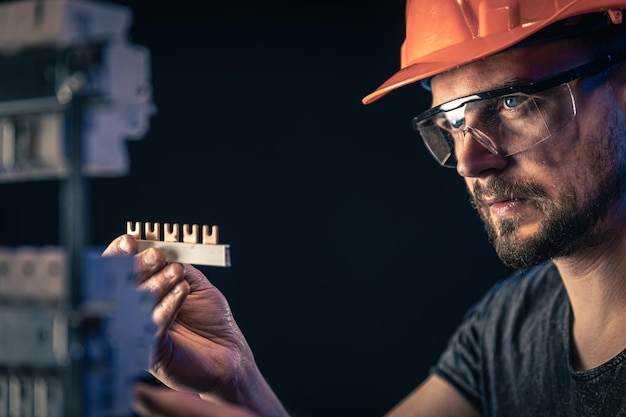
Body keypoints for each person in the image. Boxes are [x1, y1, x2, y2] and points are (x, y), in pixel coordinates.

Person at [103, 0, 626, 415]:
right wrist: (234, 379)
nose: (469, 160)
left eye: (514, 101)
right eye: (452, 122)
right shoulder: (509, 328)